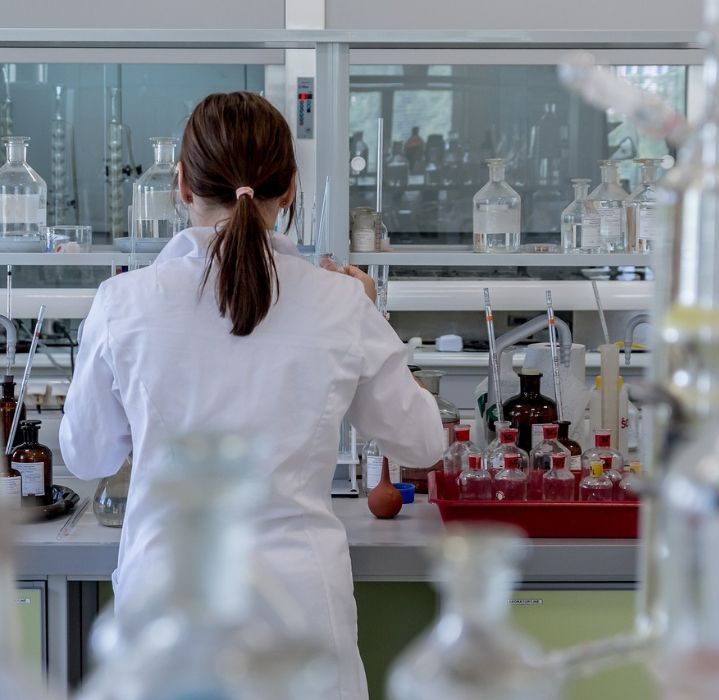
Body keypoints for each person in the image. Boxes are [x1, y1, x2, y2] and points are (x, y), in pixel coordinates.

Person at [59, 92, 445, 700]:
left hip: (167, 615)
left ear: (182, 185)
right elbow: (423, 441)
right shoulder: (341, 302)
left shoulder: (122, 303)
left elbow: (87, 458)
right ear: (288, 188)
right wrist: (373, 313)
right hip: (301, 619)